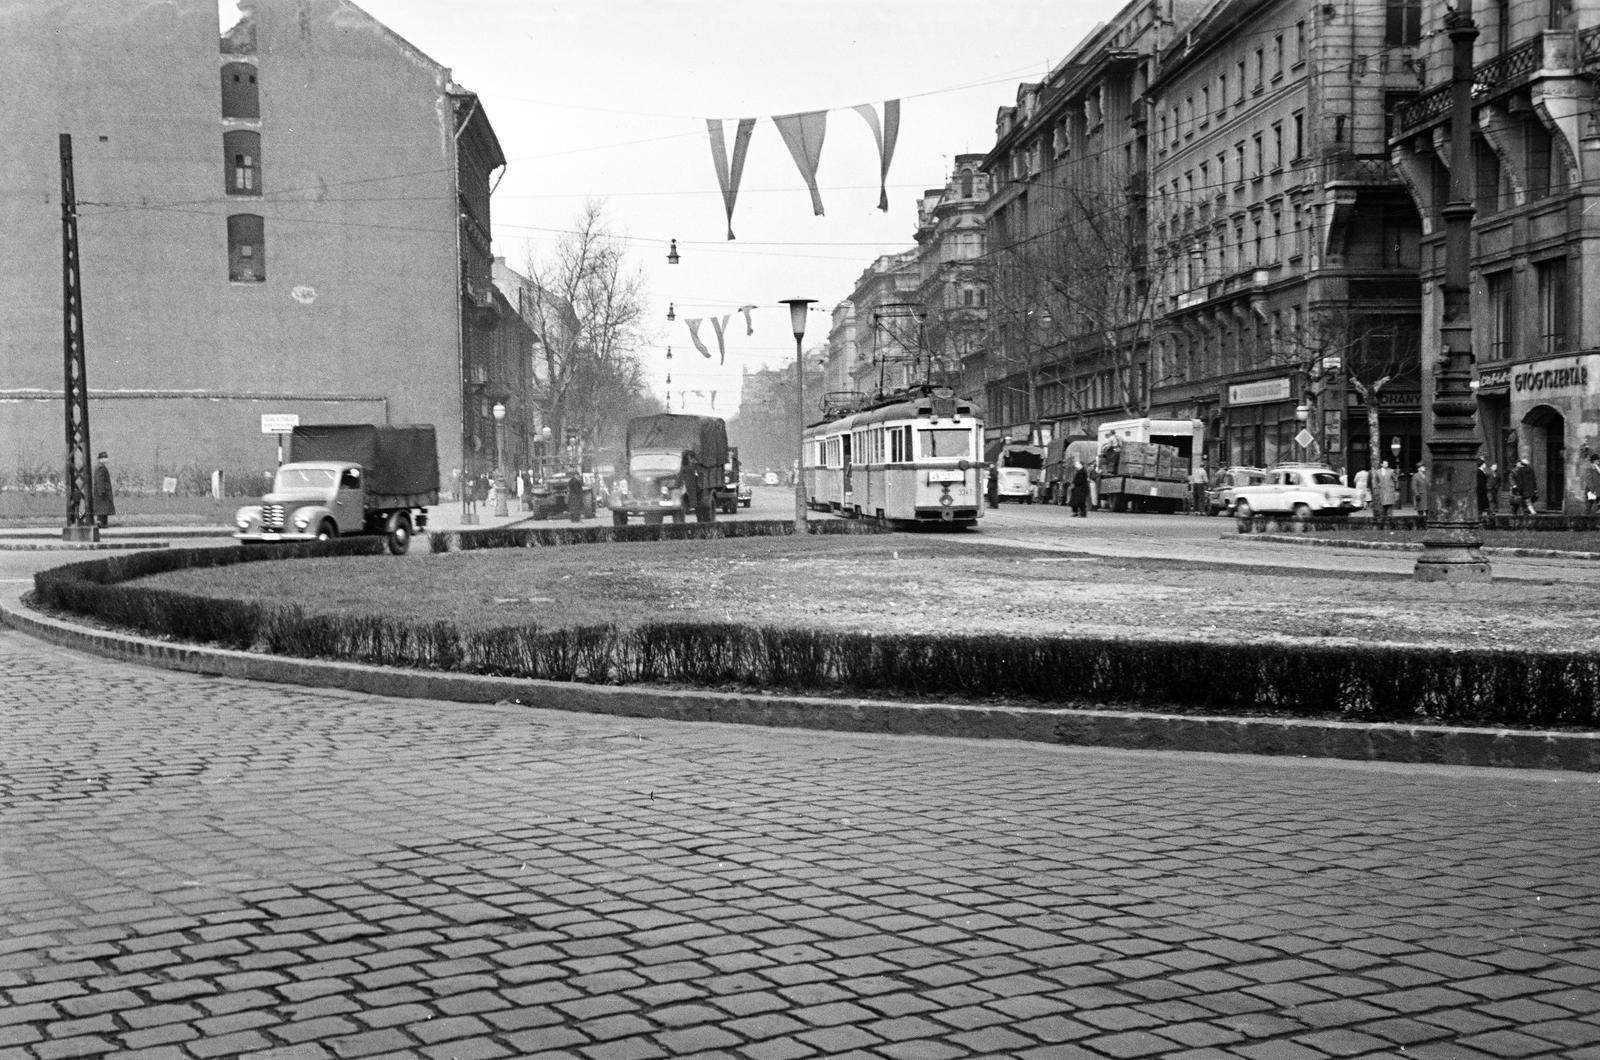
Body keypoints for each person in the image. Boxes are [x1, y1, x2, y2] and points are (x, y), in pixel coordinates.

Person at [91, 450, 115, 528]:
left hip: (102, 491)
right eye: (104, 457)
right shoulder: (100, 468)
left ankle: (103, 523)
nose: (106, 459)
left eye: (106, 457)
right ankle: (101, 523)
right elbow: (100, 480)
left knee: (104, 508)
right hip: (102, 492)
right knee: (102, 508)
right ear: (100, 459)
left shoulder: (101, 467)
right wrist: (101, 491)